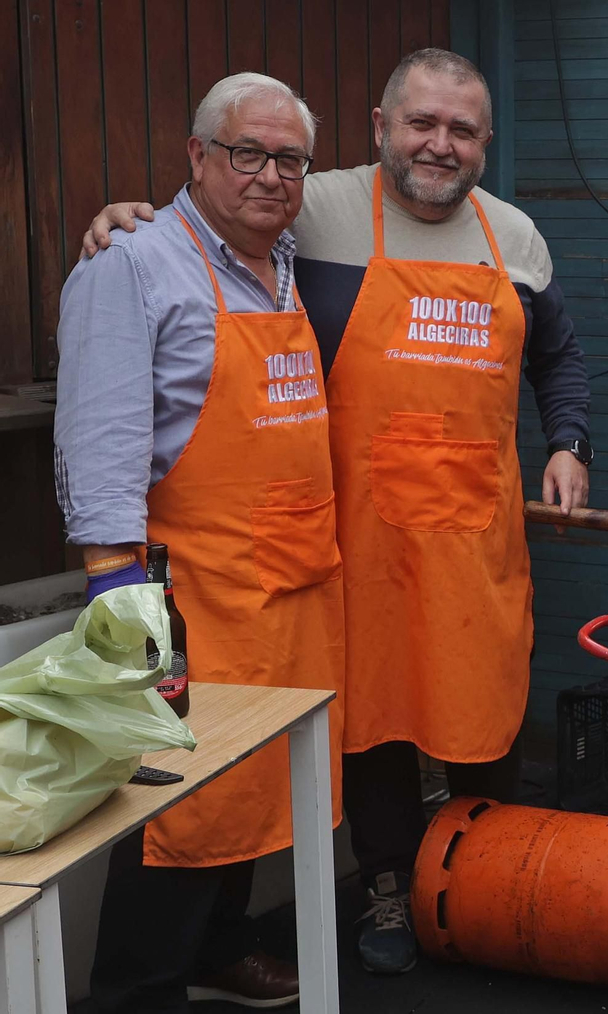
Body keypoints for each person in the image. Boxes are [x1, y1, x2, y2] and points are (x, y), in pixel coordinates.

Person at [85, 48, 593, 975]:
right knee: (373, 723)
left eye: (462, 130)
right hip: (343, 544)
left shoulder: (515, 237)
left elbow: (560, 354)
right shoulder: (313, 211)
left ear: (486, 142)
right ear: (380, 127)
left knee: (486, 714)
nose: (440, 146)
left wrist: (569, 442)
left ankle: (491, 895)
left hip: (474, 538)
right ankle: (391, 887)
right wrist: (128, 216)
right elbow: (210, 212)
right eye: (422, 124)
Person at [56, 72, 342, 1012]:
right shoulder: (130, 262)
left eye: (288, 159)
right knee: (174, 803)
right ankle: (135, 989)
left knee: (251, 785)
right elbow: (99, 441)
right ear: (196, 156)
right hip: (188, 594)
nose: (269, 175)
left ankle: (220, 951)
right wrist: (118, 598)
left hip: (286, 583)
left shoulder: (288, 257)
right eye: (245, 153)